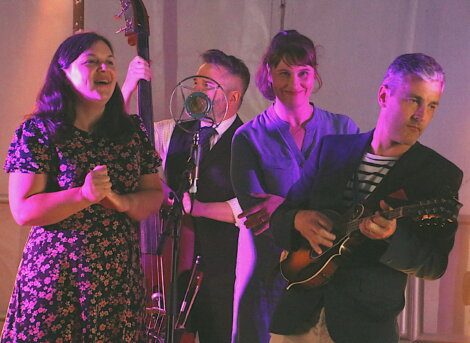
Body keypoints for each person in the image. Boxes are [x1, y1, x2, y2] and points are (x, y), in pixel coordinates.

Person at [269, 53, 463, 343]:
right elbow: (280, 218)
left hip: (364, 328)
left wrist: (393, 237)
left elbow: (434, 264)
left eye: (432, 105)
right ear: (384, 95)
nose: (421, 115)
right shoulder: (332, 149)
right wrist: (297, 219)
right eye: (414, 100)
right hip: (297, 317)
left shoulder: (438, 174)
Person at [1, 32, 163, 342]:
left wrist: (123, 202)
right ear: (63, 72)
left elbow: (153, 194)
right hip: (57, 275)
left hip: (116, 276)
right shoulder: (38, 130)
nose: (105, 69)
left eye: (110, 62)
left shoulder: (132, 131)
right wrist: (83, 195)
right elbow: (23, 209)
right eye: (91, 62)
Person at [230, 30, 359, 343]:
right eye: (284, 73)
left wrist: (285, 209)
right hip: (271, 284)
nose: (295, 83)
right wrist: (310, 212)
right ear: (269, 75)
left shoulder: (343, 129)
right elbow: (260, 219)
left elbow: (352, 203)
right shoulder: (248, 138)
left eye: (304, 73)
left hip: (332, 279)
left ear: (314, 76)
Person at [123, 49, 251, 343]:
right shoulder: (172, 131)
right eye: (196, 83)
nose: (195, 91)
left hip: (221, 268)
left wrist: (198, 208)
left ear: (232, 98)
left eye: (207, 85)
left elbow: (246, 205)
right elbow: (122, 141)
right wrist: (129, 86)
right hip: (169, 263)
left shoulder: (250, 140)